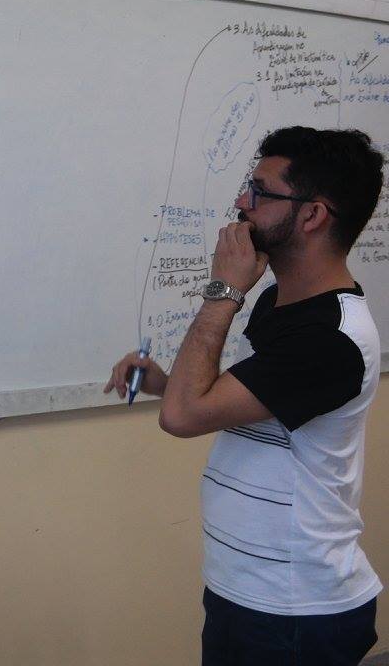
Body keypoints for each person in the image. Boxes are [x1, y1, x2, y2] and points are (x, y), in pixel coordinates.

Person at [105, 126, 385, 665]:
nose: (242, 203)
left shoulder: (332, 339)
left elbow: (183, 417)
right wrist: (165, 383)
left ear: (312, 215)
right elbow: (242, 400)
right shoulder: (280, 302)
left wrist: (224, 291)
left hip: (295, 607)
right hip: (248, 588)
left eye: (260, 192)